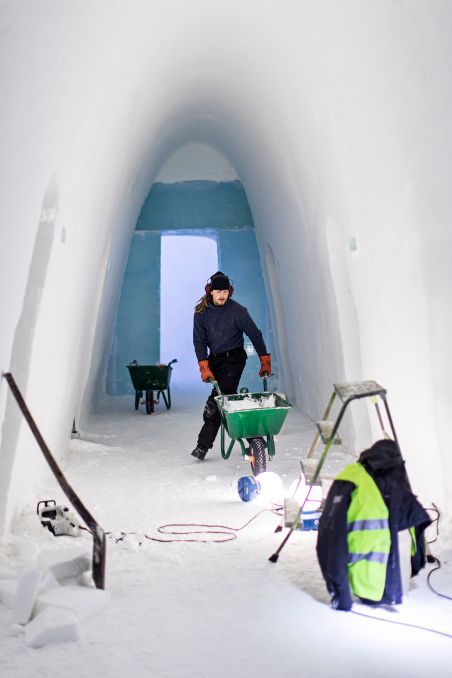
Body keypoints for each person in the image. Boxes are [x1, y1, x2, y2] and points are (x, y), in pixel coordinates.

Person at [191, 271, 271, 460]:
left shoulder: (238, 311)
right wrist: (204, 365)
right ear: (210, 291)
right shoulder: (201, 313)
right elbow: (199, 342)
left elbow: (255, 335)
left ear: (230, 292)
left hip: (234, 358)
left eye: (225, 291)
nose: (221, 295)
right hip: (215, 359)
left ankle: (203, 446)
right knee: (225, 399)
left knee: (218, 399)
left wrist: (264, 360)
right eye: (218, 291)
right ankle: (254, 437)